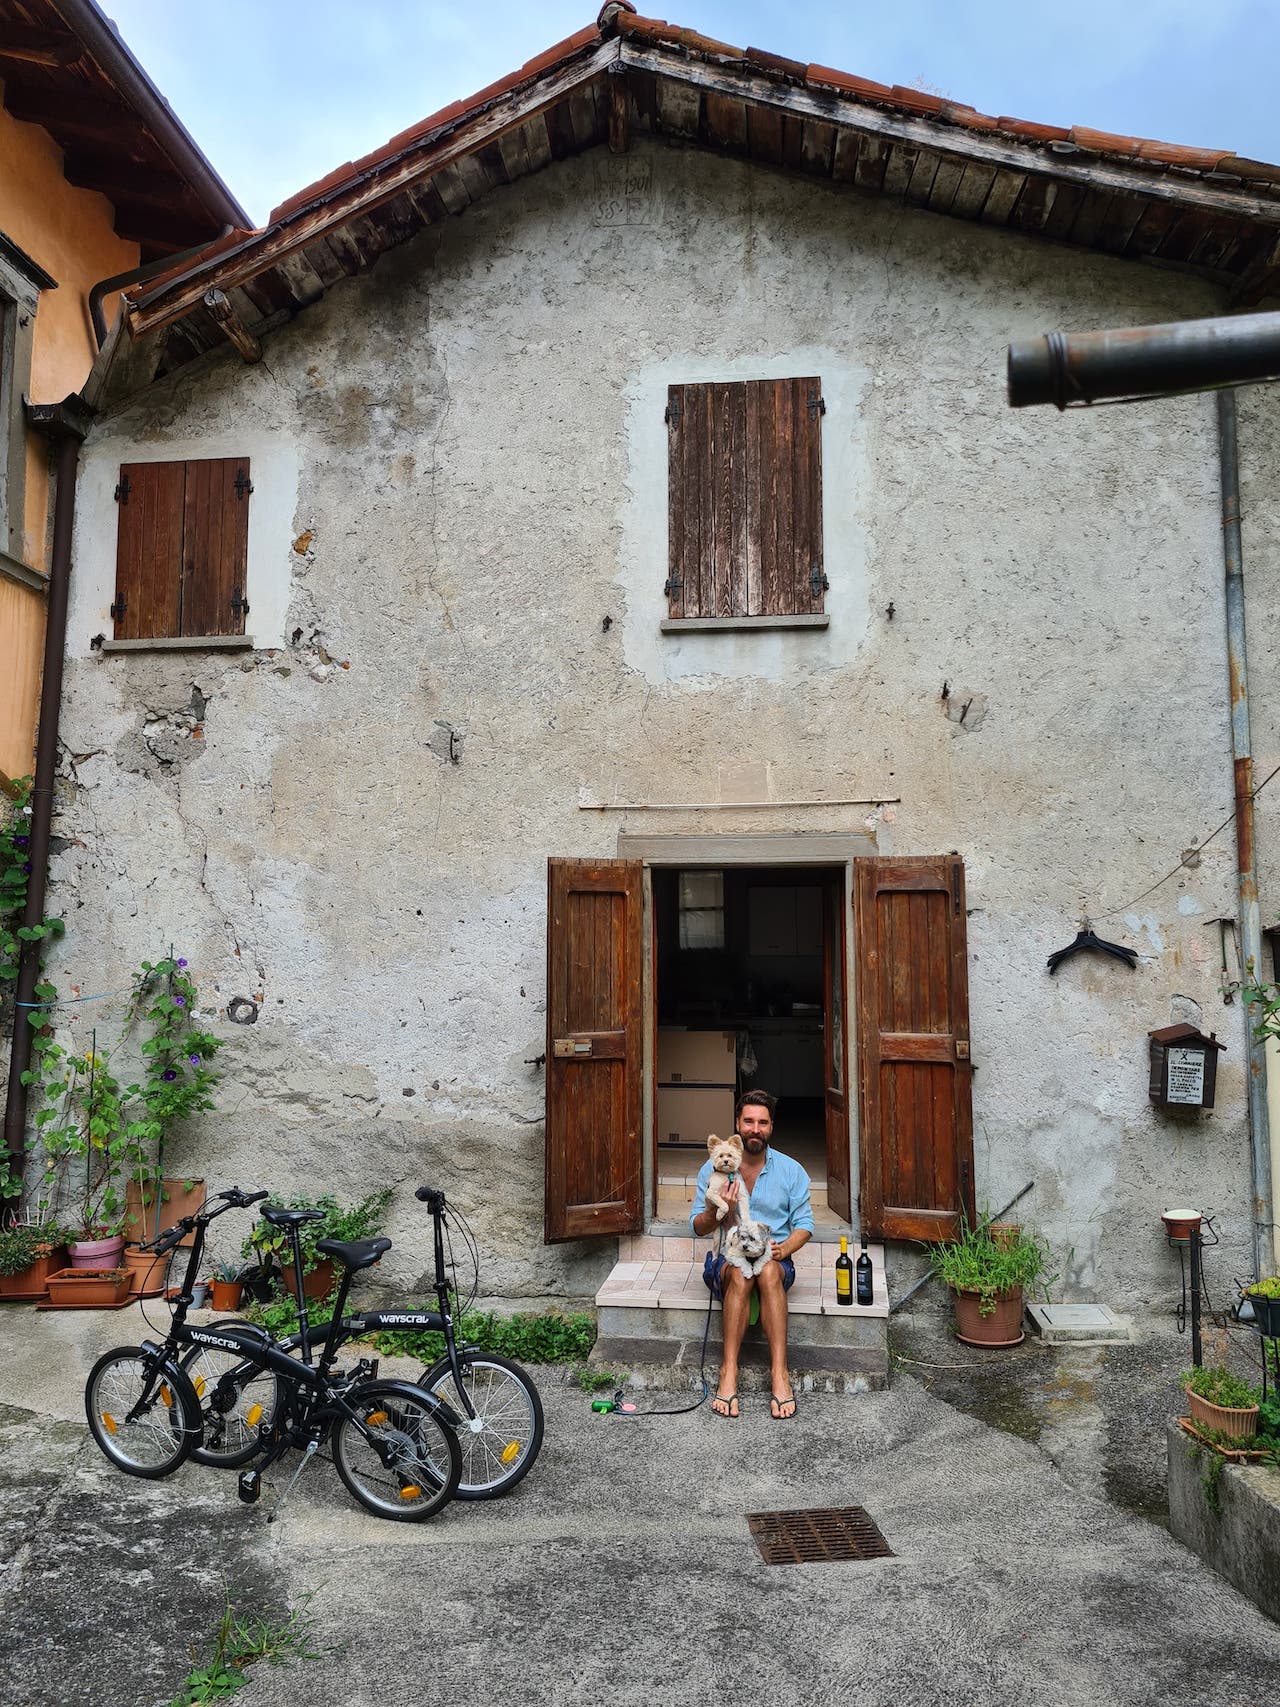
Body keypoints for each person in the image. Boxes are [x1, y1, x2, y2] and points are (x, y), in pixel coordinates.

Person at [689, 1088, 813, 1420]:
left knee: (769, 1270)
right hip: (728, 1258)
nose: (755, 1129)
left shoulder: (790, 1170)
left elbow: (805, 1224)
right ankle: (729, 1370)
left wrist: (783, 1248)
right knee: (743, 1276)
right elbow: (697, 1227)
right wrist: (718, 1211)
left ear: (771, 1127)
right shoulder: (714, 1168)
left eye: (762, 1122)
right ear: (737, 1125)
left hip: (774, 1257)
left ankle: (779, 1373)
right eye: (748, 1121)